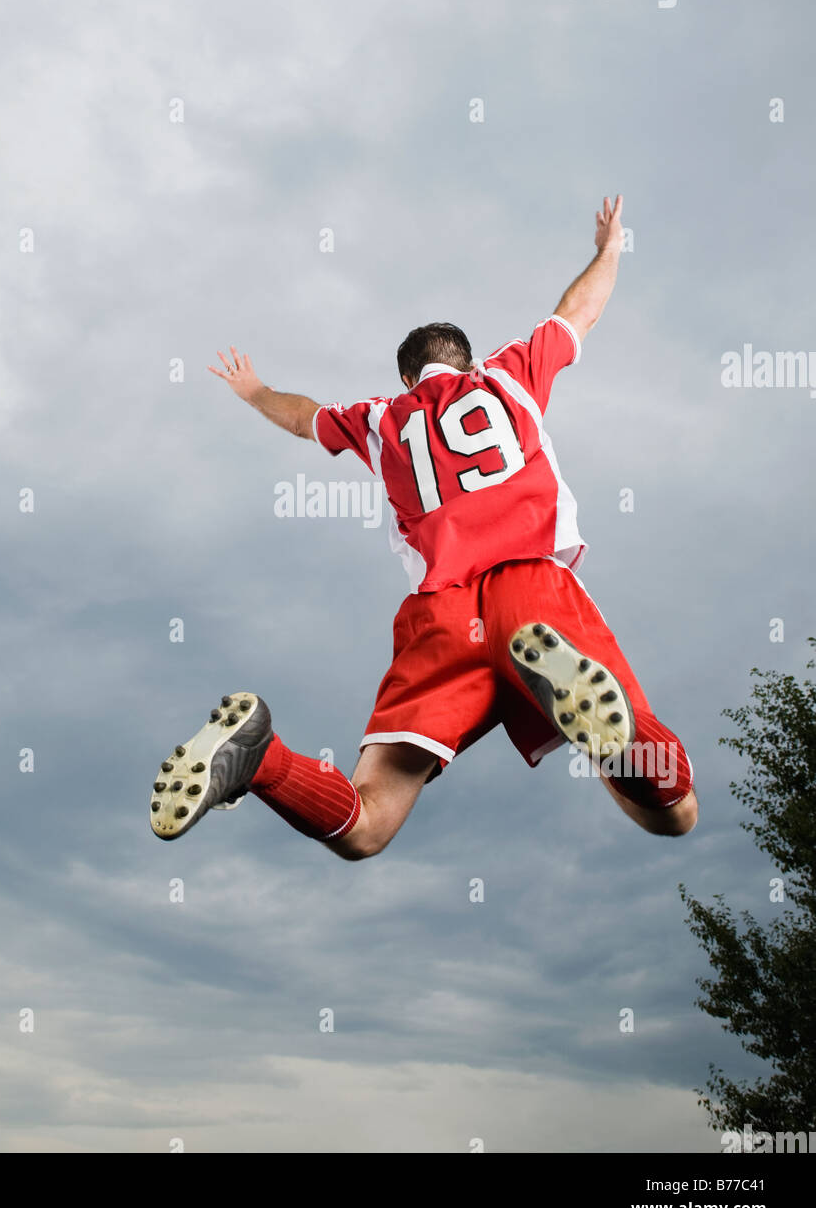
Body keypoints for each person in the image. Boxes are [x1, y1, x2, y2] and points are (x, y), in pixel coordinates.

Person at [149, 196, 697, 855]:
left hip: (439, 617)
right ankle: (621, 738)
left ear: (406, 378)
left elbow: (303, 416)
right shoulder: (507, 377)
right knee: (671, 815)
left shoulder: (381, 418)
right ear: (465, 363)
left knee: (369, 825)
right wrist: (608, 249)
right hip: (533, 597)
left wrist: (255, 391)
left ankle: (261, 762)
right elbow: (577, 311)